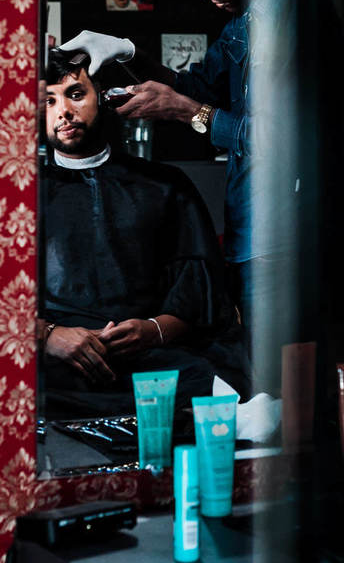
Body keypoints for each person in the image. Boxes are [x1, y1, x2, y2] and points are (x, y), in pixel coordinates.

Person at [54, 0, 325, 369]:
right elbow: (196, 85)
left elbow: (286, 142)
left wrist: (186, 113)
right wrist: (126, 52)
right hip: (252, 230)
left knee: (288, 378)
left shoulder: (297, 15)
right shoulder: (247, 21)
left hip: (289, 237)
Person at [39, 47, 248, 417]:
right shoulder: (18, 196)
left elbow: (203, 301)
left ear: (104, 98)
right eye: (49, 100)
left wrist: (152, 330)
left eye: (75, 94)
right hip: (55, 368)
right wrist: (49, 336)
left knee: (230, 391)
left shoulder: (164, 186)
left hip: (152, 361)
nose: (63, 113)